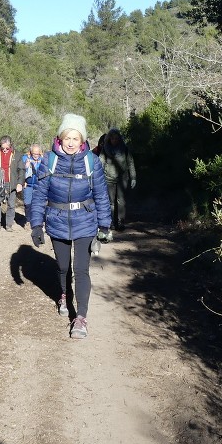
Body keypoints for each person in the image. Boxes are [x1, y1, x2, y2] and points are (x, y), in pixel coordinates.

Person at [27, 113, 112, 339]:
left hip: (85, 221)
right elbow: (39, 195)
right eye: (67, 138)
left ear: (82, 140)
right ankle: (64, 294)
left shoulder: (92, 162)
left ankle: (81, 318)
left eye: (76, 138)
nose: (71, 143)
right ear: (60, 138)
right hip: (56, 220)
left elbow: (102, 195)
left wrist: (104, 225)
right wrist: (36, 224)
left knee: (81, 270)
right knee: (63, 267)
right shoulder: (49, 160)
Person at [97, 128, 136, 230]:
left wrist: (133, 177)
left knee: (121, 201)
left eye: (116, 138)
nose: (114, 140)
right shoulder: (105, 149)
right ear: (109, 139)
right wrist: (98, 176)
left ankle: (121, 222)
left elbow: (130, 163)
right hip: (108, 178)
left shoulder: (125, 149)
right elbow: (100, 162)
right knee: (111, 202)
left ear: (119, 138)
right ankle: (112, 222)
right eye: (112, 138)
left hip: (122, 178)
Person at [0, 135, 22, 231]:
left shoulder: (17, 154)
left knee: (11, 204)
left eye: (7, 148)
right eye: (3, 148)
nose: (5, 150)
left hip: (12, 182)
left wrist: (20, 183)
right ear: (0, 145)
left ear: (11, 145)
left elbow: (21, 170)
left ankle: (9, 225)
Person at [18, 143, 44, 214]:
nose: (36, 156)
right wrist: (25, 167)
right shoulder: (25, 158)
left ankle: (34, 220)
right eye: (34, 154)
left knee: (36, 204)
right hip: (28, 185)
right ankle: (28, 219)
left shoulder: (43, 160)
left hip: (39, 185)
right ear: (31, 152)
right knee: (27, 203)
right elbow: (20, 171)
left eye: (37, 154)